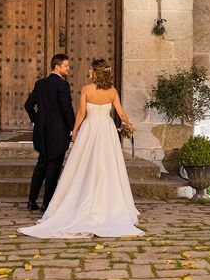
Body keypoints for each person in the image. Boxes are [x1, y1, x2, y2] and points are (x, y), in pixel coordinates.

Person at [18, 58, 144, 238]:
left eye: (91, 70)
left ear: (95, 72)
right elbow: (121, 113)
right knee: (108, 165)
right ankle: (108, 204)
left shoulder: (86, 89)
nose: (89, 73)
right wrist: (129, 125)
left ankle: (63, 201)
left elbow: (81, 113)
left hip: (90, 129)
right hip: (106, 131)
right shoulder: (112, 91)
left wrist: (75, 130)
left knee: (83, 164)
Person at [24, 54, 75, 212]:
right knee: (53, 167)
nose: (68, 68)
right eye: (66, 65)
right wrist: (73, 128)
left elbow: (28, 105)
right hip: (58, 133)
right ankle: (47, 204)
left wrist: (36, 120)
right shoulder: (62, 85)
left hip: (42, 131)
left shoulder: (40, 83)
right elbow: (66, 109)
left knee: (41, 165)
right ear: (57, 67)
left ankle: (31, 201)